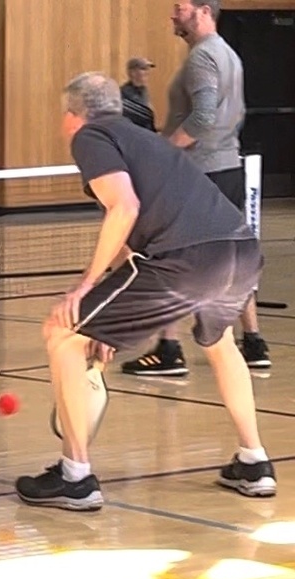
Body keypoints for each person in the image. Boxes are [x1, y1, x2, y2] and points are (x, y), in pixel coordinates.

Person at [15, 72, 276, 512]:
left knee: (62, 332)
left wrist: (85, 287)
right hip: (240, 250)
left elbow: (125, 207)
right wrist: (106, 319)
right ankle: (254, 462)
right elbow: (134, 231)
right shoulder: (144, 139)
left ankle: (74, 476)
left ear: (74, 115)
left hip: (187, 259)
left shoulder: (91, 137)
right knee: (221, 344)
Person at [121, 0, 268, 376]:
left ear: (203, 11)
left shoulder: (203, 58)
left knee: (172, 257)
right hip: (228, 168)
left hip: (200, 174)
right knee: (232, 257)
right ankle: (253, 342)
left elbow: (203, 117)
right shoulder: (229, 55)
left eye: (180, 7)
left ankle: (169, 350)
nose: (173, 14)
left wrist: (164, 153)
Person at [120, 56, 157, 131]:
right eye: (143, 69)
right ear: (132, 72)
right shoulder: (124, 93)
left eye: (148, 69)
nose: (147, 72)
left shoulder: (144, 91)